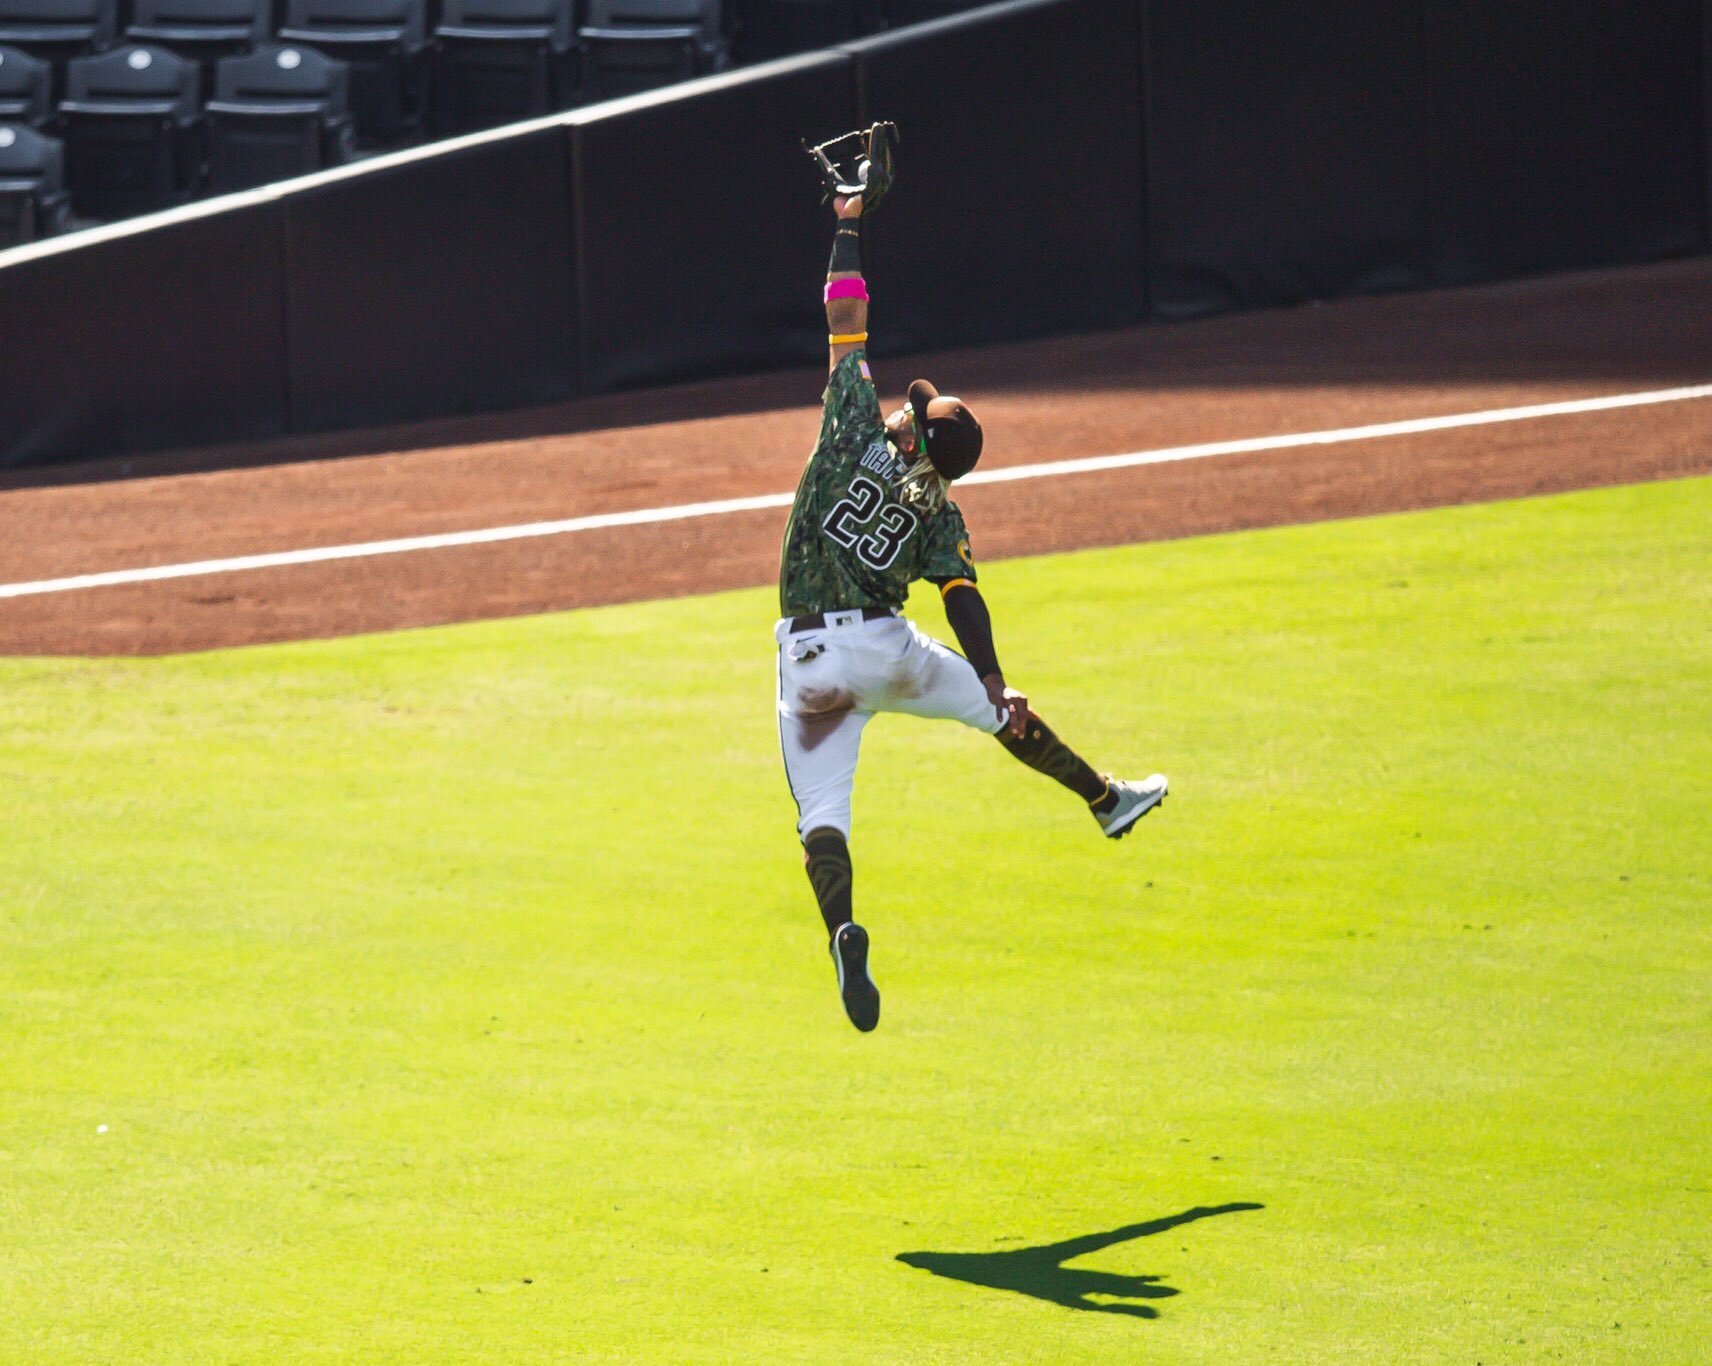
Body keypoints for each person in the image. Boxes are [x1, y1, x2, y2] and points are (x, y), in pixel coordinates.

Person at [776, 189, 1167, 1033]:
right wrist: (992, 679)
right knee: (996, 715)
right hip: (890, 651)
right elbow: (963, 596)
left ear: (912, 434)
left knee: (822, 820)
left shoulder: (852, 427)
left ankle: (841, 926)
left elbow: (845, 310)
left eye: (915, 413)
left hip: (810, 663)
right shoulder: (941, 513)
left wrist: (847, 220)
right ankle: (1104, 800)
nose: (904, 411)